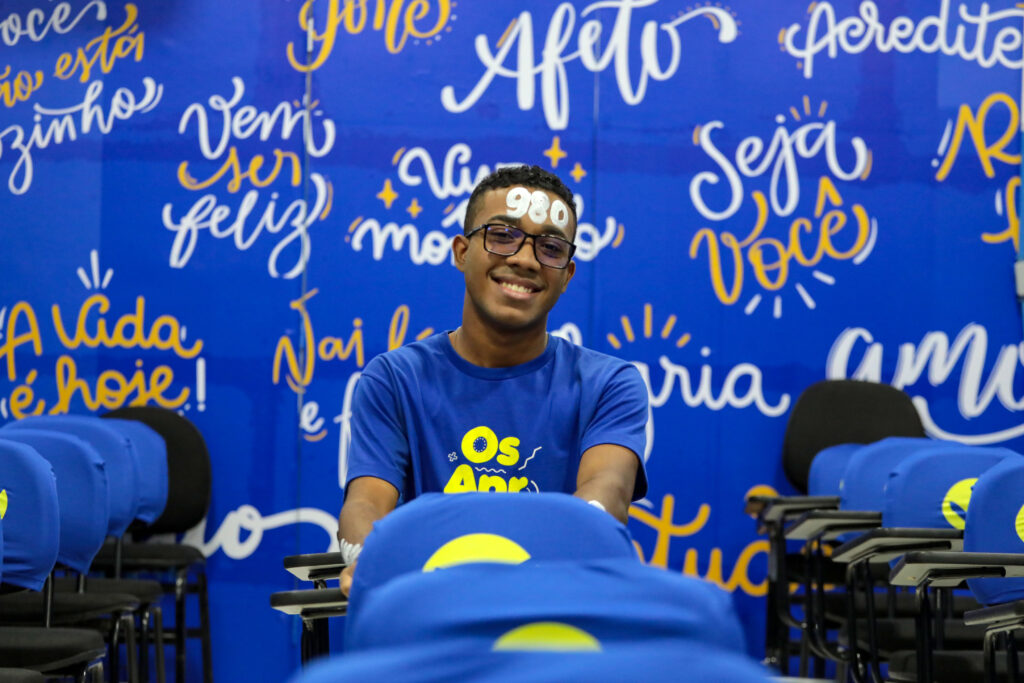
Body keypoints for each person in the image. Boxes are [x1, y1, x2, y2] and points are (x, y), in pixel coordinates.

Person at [337, 164, 649, 594]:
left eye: (551, 248)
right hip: (433, 612)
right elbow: (366, 502)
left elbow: (606, 494)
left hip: (557, 613)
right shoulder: (394, 379)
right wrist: (371, 560)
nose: (524, 259)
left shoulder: (609, 384)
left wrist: (510, 581)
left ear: (567, 276)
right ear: (462, 252)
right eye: (502, 236)